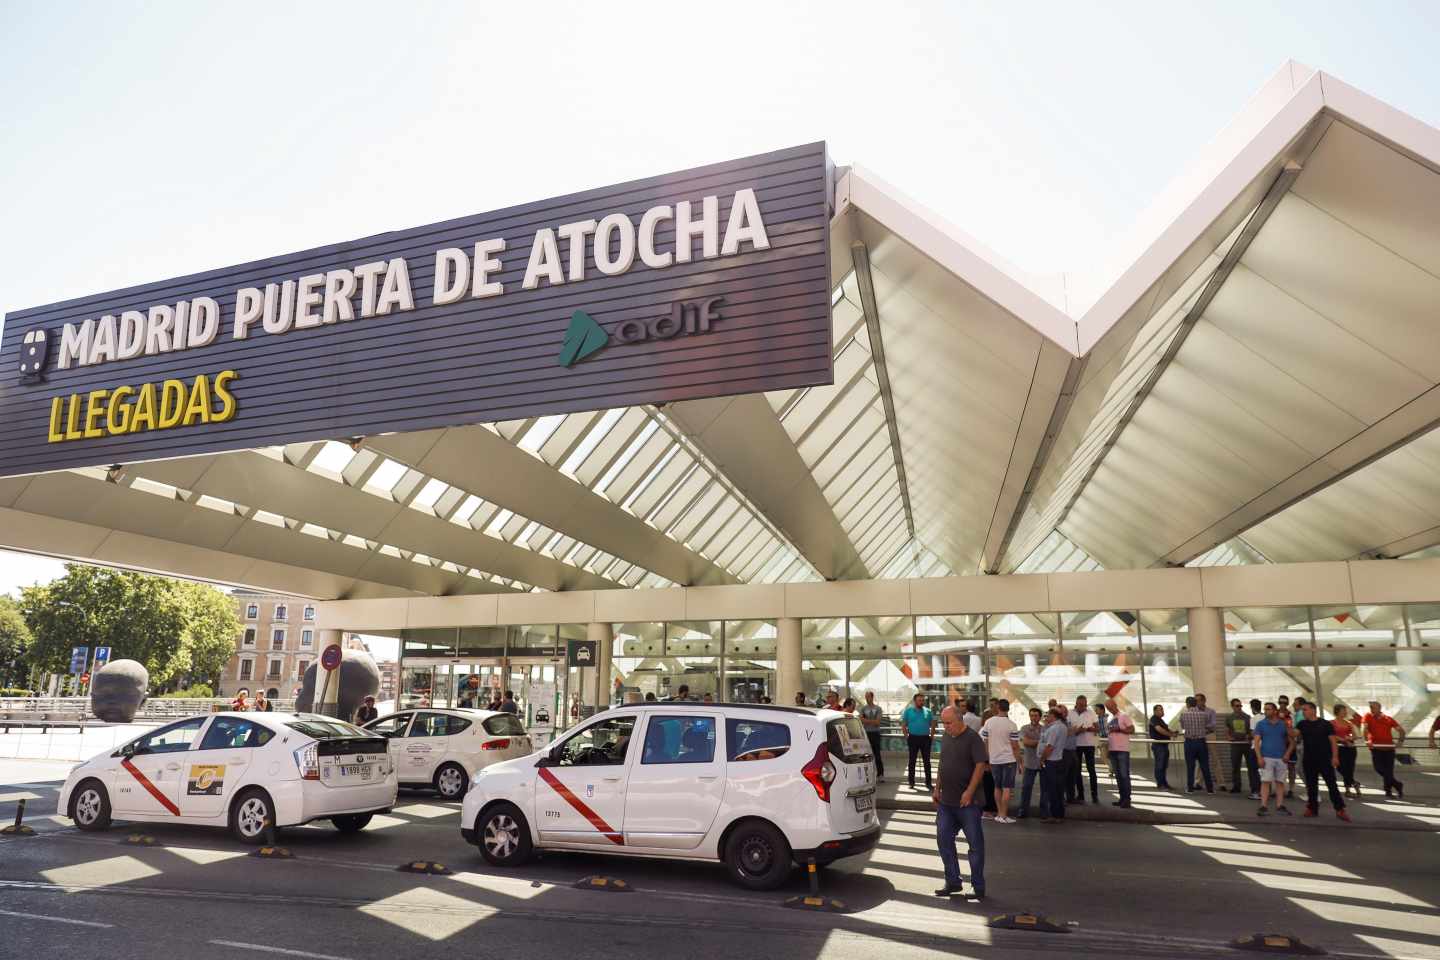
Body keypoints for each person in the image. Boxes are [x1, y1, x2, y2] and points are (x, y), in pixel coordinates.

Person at [932, 705, 988, 901]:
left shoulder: (973, 738)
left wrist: (969, 792)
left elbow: (980, 766)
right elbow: (942, 763)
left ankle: (978, 886)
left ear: (960, 720)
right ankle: (953, 881)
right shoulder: (947, 736)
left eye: (949, 723)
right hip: (947, 802)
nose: (946, 727)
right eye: (943, 723)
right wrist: (937, 787)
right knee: (943, 839)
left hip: (968, 803)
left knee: (975, 845)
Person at [1296, 701, 1350, 821]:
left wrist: (1335, 757)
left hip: (1325, 759)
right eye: (1302, 710)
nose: (1303, 712)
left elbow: (1333, 742)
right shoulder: (1302, 724)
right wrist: (1285, 724)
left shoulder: (1325, 724)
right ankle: (1312, 808)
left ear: (1312, 710)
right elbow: (1294, 734)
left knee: (1332, 785)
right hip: (1308, 760)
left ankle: (1340, 809)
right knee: (1311, 786)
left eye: (1305, 710)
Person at [980, 699, 1018, 823]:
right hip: (1009, 759)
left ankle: (999, 814)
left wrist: (988, 757)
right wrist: (1020, 761)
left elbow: (985, 741)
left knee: (997, 787)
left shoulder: (988, 722)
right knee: (1007, 788)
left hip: (994, 760)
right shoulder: (1012, 724)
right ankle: (1003, 815)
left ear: (998, 708)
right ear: (1008, 709)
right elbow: (1015, 745)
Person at [1253, 702, 1294, 817]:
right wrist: (1259, 757)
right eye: (1265, 709)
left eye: (1269, 709)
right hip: (1266, 757)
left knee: (1280, 783)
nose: (1266, 711)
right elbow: (1256, 743)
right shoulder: (1261, 724)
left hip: (1281, 758)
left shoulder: (1283, 724)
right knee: (1265, 782)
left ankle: (1279, 805)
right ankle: (1263, 806)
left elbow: (1292, 742)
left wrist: (1287, 754)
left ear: (1275, 711)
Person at [1363, 700, 1405, 799]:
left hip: (1389, 749)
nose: (1371, 709)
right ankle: (1398, 785)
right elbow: (1363, 728)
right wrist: (1366, 740)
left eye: (1373, 707)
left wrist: (1400, 741)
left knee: (1388, 772)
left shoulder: (1388, 719)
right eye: (1370, 707)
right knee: (1379, 769)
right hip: (1376, 749)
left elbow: (1401, 731)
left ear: (1379, 708)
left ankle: (1388, 791)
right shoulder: (1368, 716)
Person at [1178, 695, 1215, 793]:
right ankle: (1210, 789)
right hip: (1201, 742)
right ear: (1195, 703)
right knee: (1205, 766)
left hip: (1189, 742)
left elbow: (1183, 726)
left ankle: (1190, 788)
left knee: (1190, 766)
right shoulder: (1204, 714)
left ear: (1187, 704)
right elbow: (1207, 726)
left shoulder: (1183, 715)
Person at [1225, 698, 1260, 800]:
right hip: (1235, 745)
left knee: (1251, 767)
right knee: (1235, 766)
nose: (1239, 707)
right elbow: (1227, 730)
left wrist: (1249, 736)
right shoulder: (1229, 718)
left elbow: (1251, 730)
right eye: (1237, 706)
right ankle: (1236, 786)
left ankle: (1253, 788)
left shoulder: (1247, 717)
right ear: (1232, 707)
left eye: (1240, 705)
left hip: (1246, 745)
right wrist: (1228, 737)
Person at [1038, 707, 1068, 823]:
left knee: (1052, 790)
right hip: (1059, 760)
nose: (1046, 718)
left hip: (1051, 761)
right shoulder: (1062, 727)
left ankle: (1054, 815)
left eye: (1048, 715)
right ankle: (1059, 815)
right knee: (1059, 789)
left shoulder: (1054, 728)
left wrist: (1042, 759)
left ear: (1053, 716)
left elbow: (1049, 747)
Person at [902, 693, 935, 792]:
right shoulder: (908, 711)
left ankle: (928, 783)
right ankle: (911, 782)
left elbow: (933, 725)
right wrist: (907, 737)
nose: (921, 702)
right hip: (913, 738)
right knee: (912, 761)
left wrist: (931, 737)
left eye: (922, 700)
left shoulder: (928, 711)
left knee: (927, 762)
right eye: (919, 700)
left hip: (925, 739)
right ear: (915, 701)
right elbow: (903, 725)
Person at [1103, 700, 1134, 807]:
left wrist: (1119, 729)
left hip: (1122, 750)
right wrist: (1108, 749)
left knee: (1124, 775)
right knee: (1118, 776)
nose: (1110, 709)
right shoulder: (1111, 719)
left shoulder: (1124, 716)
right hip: (1113, 750)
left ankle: (1127, 799)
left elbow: (1131, 729)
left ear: (1115, 705)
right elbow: (1109, 735)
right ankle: (1122, 798)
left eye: (1111, 706)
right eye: (1108, 707)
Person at [1070, 695, 1100, 804]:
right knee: (1077, 771)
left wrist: (1091, 729)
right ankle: (1081, 795)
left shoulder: (1091, 713)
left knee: (1091, 769)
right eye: (1080, 704)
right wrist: (1077, 731)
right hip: (1075, 745)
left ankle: (1094, 795)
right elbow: (1068, 730)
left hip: (1089, 745)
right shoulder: (1070, 713)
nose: (1082, 706)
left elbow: (1098, 728)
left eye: (1084, 705)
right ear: (1076, 703)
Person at [1017, 706, 1043, 819]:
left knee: (1045, 789)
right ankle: (1023, 810)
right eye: (1031, 715)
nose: (1033, 717)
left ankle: (1044, 812)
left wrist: (1033, 742)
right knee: (1026, 787)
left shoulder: (1045, 728)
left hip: (1043, 762)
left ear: (1040, 717)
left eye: (1036, 715)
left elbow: (1048, 744)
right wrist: (1040, 742)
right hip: (1029, 762)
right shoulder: (1024, 728)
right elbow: (1026, 742)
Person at [1196, 693, 1225, 790]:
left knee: (1215, 759)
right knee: (1201, 760)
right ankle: (1198, 782)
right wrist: (1203, 726)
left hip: (1210, 735)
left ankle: (1221, 783)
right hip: (1199, 736)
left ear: (1203, 701)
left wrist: (1202, 727)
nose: (1197, 702)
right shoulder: (1194, 712)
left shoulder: (1211, 711)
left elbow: (1213, 725)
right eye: (1195, 701)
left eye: (1198, 700)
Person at [1332, 704, 1362, 798]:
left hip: (1350, 749)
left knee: (1349, 769)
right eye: (1343, 710)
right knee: (1340, 768)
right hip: (1338, 748)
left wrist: (1349, 738)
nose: (1345, 712)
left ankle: (1348, 790)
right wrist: (1343, 739)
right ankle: (1354, 783)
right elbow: (1331, 736)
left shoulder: (1349, 723)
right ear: (1337, 711)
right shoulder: (1332, 723)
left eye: (1345, 710)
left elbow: (1355, 736)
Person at [859, 692, 886, 782]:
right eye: (866, 697)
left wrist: (866, 720)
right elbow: (861, 720)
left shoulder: (878, 708)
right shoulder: (863, 708)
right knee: (866, 755)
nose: (867, 699)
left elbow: (878, 722)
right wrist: (873, 721)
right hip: (866, 734)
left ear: (872, 697)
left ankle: (880, 774)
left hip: (875, 734)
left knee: (877, 754)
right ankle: (867, 775)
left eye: (868, 697)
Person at [1147, 705, 1174, 790]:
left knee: (1164, 765)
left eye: (1162, 709)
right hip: (1159, 746)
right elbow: (1159, 729)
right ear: (1155, 711)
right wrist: (1170, 734)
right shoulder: (1154, 719)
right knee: (1160, 765)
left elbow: (1165, 729)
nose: (1162, 711)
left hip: (1164, 745)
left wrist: (1172, 732)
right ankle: (1160, 784)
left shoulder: (1160, 720)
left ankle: (1164, 783)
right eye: (1160, 710)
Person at [1058, 704, 1079, 802]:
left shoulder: (1068, 722)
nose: (1065, 713)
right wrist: (1072, 731)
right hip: (1063, 752)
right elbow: (1062, 734)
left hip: (1072, 751)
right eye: (1063, 712)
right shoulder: (1057, 723)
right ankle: (1060, 798)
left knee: (1072, 775)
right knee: (1062, 776)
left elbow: (1071, 733)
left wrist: (1075, 730)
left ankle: (1071, 797)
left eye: (1066, 711)